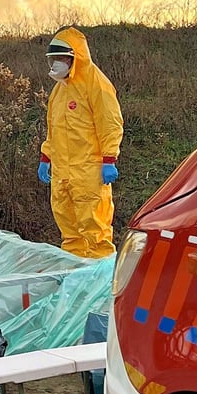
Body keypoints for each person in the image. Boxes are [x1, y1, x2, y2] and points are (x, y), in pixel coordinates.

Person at [38, 26, 124, 259]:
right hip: (63, 175)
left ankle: (102, 284)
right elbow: (53, 130)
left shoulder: (96, 84)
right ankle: (76, 280)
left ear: (74, 57)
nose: (56, 64)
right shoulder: (59, 91)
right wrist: (46, 157)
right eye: (53, 59)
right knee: (70, 234)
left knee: (96, 233)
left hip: (88, 172)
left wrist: (109, 159)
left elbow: (110, 123)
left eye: (60, 58)